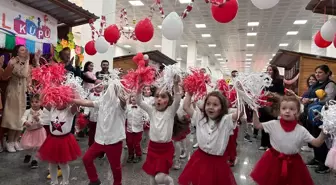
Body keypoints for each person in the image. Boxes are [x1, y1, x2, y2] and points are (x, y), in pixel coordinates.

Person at [250, 95, 326, 185]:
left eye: (291, 109)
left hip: (293, 164)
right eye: (284, 108)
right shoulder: (273, 124)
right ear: (280, 111)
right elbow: (257, 125)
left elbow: (317, 143)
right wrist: (254, 110)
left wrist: (325, 130)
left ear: (298, 112)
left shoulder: (301, 130)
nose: (287, 111)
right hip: (273, 161)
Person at [178, 91, 239, 185]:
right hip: (200, 159)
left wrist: (240, 95)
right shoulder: (200, 117)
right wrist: (190, 93)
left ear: (222, 108)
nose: (211, 107)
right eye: (208, 104)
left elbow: (239, 114)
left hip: (217, 163)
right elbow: (186, 107)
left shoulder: (226, 120)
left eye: (215, 105)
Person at [72, 84, 127, 185]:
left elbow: (124, 102)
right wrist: (71, 99)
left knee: (115, 166)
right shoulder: (101, 102)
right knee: (86, 159)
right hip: (100, 141)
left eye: (110, 90)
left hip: (114, 141)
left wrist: (120, 93)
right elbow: (85, 102)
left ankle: (117, 183)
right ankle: (94, 180)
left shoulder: (119, 105)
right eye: (106, 90)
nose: (107, 92)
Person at [136, 77, 181, 185]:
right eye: (157, 96)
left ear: (169, 100)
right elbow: (139, 101)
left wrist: (175, 85)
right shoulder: (151, 110)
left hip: (165, 149)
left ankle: (170, 181)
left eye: (163, 97)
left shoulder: (170, 111)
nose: (159, 99)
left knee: (160, 178)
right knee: (152, 175)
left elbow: (178, 100)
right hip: (153, 147)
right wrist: (140, 86)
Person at [38, 103, 81, 185]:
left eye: (62, 101)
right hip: (52, 140)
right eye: (57, 100)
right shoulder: (53, 109)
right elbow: (43, 101)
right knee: (52, 162)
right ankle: (54, 181)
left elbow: (77, 104)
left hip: (64, 140)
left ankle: (65, 181)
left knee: (63, 163)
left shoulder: (69, 110)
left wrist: (73, 96)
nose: (59, 102)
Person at [304, 65, 336, 174]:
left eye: (320, 72)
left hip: (324, 116)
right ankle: (317, 158)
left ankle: (325, 163)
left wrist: (311, 100)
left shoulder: (330, 84)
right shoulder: (316, 84)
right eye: (316, 72)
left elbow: (328, 99)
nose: (317, 74)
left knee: (321, 139)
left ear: (327, 73)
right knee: (313, 136)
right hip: (312, 114)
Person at [1, 45, 33, 152]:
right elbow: (23, 73)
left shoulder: (26, 62)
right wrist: (27, 60)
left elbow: (28, 76)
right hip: (14, 92)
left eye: (25, 49)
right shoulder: (13, 61)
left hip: (23, 92)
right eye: (22, 50)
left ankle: (15, 141)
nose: (25, 51)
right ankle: (9, 141)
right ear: (17, 52)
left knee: (21, 117)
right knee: (13, 117)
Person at [258, 65, 285, 150]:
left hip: (273, 105)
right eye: (267, 70)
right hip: (264, 104)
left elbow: (281, 94)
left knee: (272, 124)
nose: (268, 71)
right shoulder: (264, 81)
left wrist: (271, 94)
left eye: (270, 70)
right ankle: (263, 143)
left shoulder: (279, 81)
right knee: (263, 124)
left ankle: (271, 145)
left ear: (274, 71)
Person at [21, 94, 46, 169]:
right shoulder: (28, 111)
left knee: (37, 147)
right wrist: (25, 122)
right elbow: (23, 117)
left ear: (40, 103)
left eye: (36, 102)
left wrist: (38, 119)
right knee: (28, 145)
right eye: (32, 102)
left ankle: (35, 160)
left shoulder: (42, 112)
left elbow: (43, 122)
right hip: (29, 131)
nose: (34, 103)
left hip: (39, 132)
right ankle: (28, 154)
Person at [125, 93, 147, 163]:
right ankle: (130, 154)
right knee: (129, 142)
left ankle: (138, 155)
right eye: (132, 96)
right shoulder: (128, 107)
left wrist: (145, 120)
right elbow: (124, 115)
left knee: (136, 143)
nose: (133, 98)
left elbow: (146, 115)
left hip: (138, 129)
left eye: (135, 96)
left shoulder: (141, 107)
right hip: (129, 129)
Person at [83, 80, 103, 147]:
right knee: (91, 133)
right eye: (96, 84)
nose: (98, 85)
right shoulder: (90, 94)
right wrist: (86, 113)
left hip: (101, 119)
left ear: (103, 86)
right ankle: (90, 146)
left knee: (100, 134)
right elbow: (87, 104)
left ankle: (100, 150)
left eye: (100, 84)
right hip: (92, 118)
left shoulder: (104, 95)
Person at [141, 85, 154, 154]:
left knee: (148, 134)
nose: (146, 91)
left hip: (149, 119)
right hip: (140, 118)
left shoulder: (152, 99)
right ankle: (139, 146)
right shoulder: (141, 97)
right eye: (144, 89)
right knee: (141, 135)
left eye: (148, 89)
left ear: (151, 92)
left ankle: (147, 147)